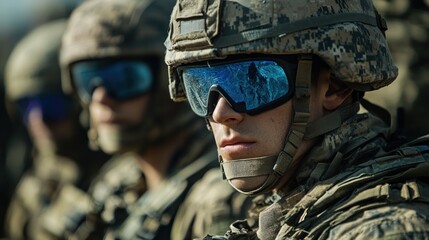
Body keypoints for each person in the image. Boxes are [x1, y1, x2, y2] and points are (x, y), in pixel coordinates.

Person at [164, 0, 429, 239]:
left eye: (254, 80)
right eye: (200, 85)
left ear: (334, 87)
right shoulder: (285, 213)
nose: (221, 114)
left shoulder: (384, 229)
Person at [33, 0, 251, 239]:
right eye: (87, 80)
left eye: (124, 78)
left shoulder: (222, 198)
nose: (102, 98)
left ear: (168, 79)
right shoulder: (118, 180)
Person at [3, 19, 109, 239]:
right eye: (26, 105)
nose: (39, 118)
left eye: (52, 104)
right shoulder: (36, 179)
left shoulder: (121, 178)